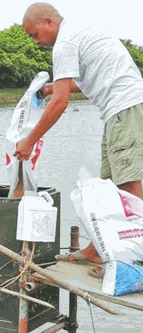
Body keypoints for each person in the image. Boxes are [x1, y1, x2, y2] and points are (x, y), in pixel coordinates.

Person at [16, 3, 143, 274]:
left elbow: (61, 102)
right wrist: (50, 87)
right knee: (109, 186)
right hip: (119, 109)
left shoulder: (64, 43)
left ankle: (129, 259)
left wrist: (29, 141)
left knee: (129, 183)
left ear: (49, 21)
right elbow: (81, 82)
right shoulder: (77, 31)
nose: (35, 41)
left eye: (34, 34)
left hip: (126, 106)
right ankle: (98, 250)